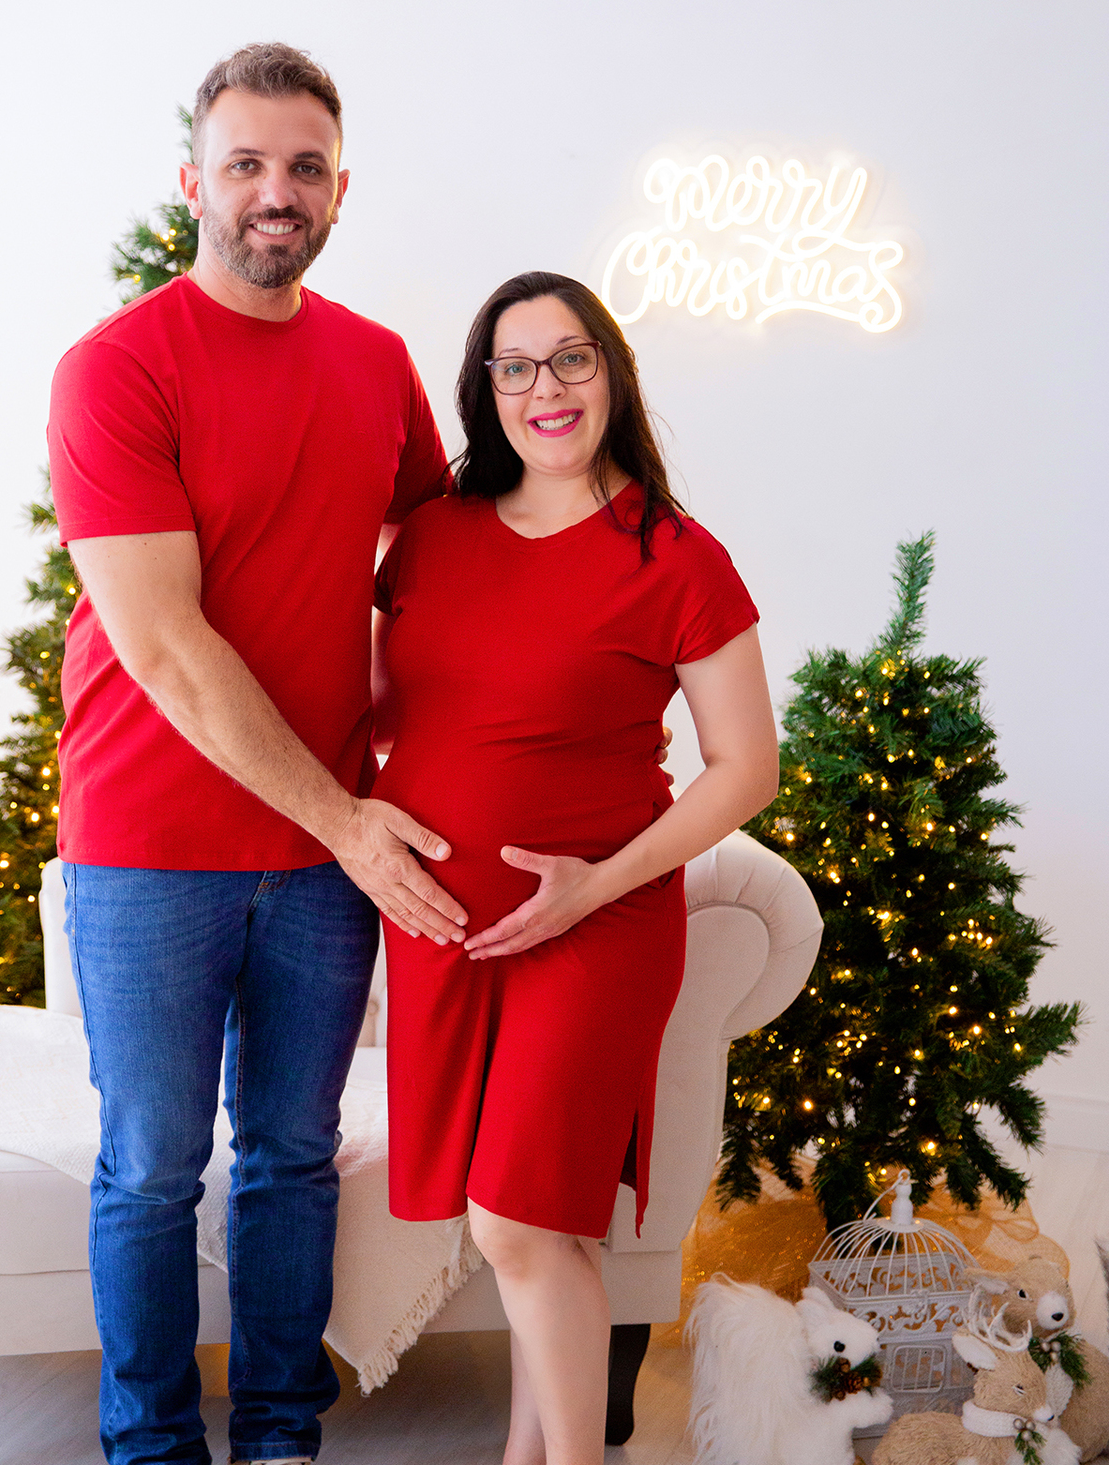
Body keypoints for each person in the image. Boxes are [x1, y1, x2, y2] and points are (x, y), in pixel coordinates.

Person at [47, 42, 470, 1465]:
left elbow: (445, 559)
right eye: (246, 164)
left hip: (324, 847)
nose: (274, 192)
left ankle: (283, 1435)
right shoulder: (115, 370)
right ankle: (150, 1445)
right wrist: (350, 818)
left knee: (293, 1156)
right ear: (194, 183)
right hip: (150, 844)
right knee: (155, 1164)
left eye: (303, 168)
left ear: (339, 190)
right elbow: (165, 645)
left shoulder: (375, 364)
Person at [370, 271, 780, 1465]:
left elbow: (744, 767)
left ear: (612, 374)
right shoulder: (432, 535)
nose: (543, 388)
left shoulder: (676, 554)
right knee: (543, 1227)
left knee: (514, 1218)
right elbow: (393, 712)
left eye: (570, 360)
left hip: (595, 923)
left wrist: (594, 885)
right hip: (448, 925)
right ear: (483, 387)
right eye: (514, 365)